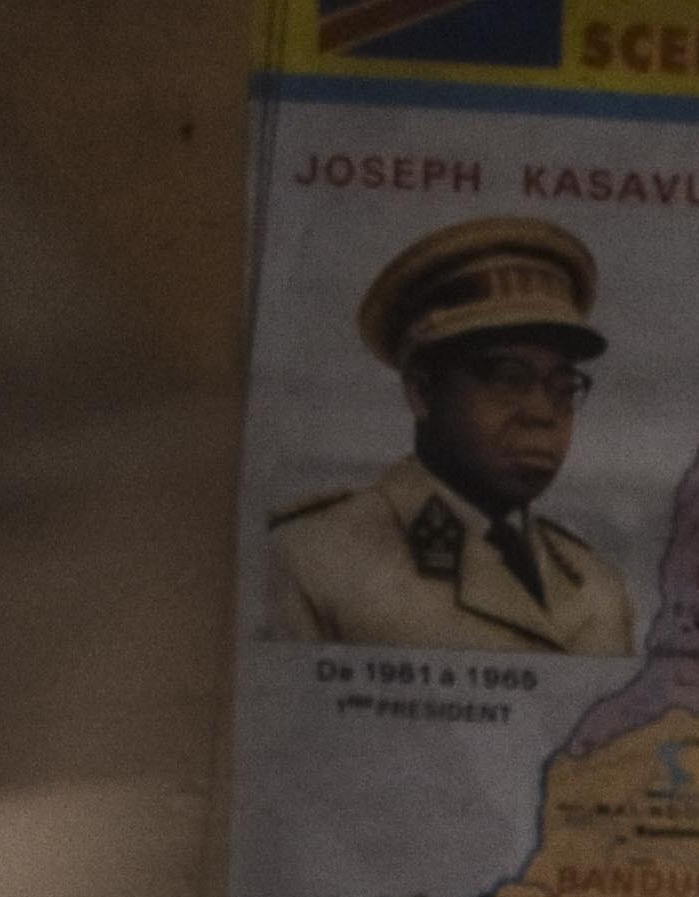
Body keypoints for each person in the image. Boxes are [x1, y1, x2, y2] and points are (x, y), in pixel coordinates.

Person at [264, 220, 635, 654]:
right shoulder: (310, 561)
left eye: (563, 386)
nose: (542, 413)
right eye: (508, 377)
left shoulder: (598, 586)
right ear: (422, 392)